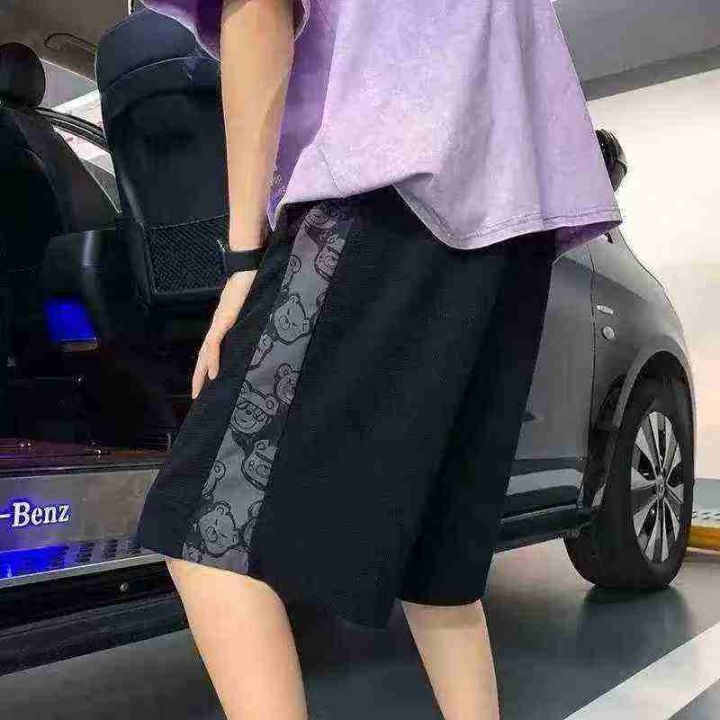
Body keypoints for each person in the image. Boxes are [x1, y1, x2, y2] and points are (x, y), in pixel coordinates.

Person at [135, 0, 623, 717]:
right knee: (438, 561)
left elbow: (257, 13)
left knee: (203, 525)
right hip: (515, 216)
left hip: (385, 178)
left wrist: (242, 259)